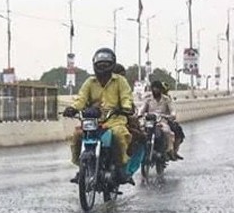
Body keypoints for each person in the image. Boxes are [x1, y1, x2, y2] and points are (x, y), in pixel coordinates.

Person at [63, 48, 134, 184]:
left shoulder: (120, 81)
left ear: (112, 65)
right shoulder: (90, 82)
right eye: (100, 64)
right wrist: (72, 108)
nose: (102, 67)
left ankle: (120, 168)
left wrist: (126, 107)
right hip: (93, 120)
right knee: (77, 135)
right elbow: (81, 99)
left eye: (105, 64)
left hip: (114, 119)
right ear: (95, 65)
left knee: (119, 135)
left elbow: (126, 97)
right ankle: (81, 168)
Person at [137, 80, 181, 160]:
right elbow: (142, 108)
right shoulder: (148, 99)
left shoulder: (166, 99)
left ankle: (169, 151)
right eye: (154, 88)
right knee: (140, 132)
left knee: (168, 132)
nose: (155, 90)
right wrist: (139, 114)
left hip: (161, 121)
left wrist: (172, 115)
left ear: (161, 89)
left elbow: (172, 110)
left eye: (157, 88)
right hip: (149, 121)